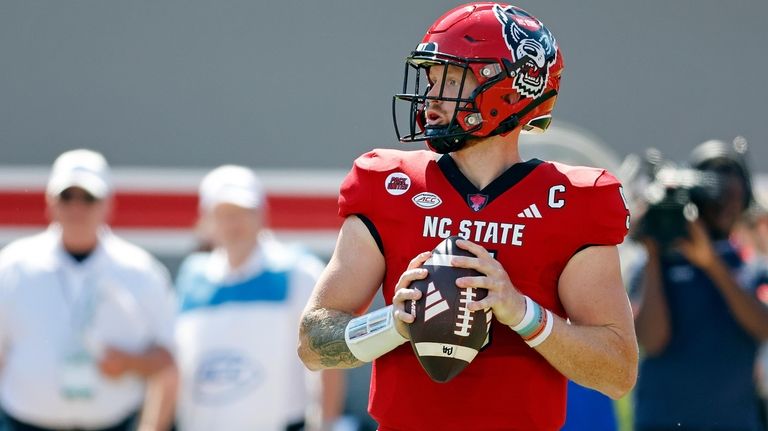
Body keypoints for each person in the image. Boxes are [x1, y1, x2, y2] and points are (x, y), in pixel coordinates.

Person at [297, 3, 638, 431]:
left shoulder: (573, 200)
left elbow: (617, 372)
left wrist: (522, 313)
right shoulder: (387, 183)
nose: (431, 96)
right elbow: (313, 342)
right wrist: (394, 322)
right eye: (431, 77)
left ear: (510, 88)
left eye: (452, 78)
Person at [0, 149, 177, 431]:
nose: (76, 208)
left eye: (88, 198)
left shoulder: (141, 271)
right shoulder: (13, 266)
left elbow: (167, 359)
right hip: (23, 423)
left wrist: (131, 363)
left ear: (108, 204)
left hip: (114, 424)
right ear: (50, 202)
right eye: (67, 197)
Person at [173, 165, 347, 431]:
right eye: (223, 214)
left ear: (262, 215)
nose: (233, 223)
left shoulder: (296, 271)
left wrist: (326, 424)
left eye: (243, 212)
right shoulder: (192, 277)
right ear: (206, 220)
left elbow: (328, 356)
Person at [631, 139, 768, 431]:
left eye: (733, 194)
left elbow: (763, 327)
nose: (724, 205)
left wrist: (711, 264)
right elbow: (652, 342)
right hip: (661, 423)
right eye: (716, 194)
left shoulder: (751, 267)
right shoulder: (655, 266)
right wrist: (654, 256)